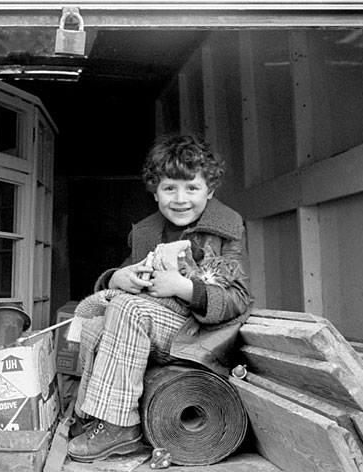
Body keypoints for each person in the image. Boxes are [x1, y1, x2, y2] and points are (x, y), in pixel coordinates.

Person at [67, 134, 254, 462]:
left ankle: (120, 425)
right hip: (158, 331)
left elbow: (238, 298)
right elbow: (128, 277)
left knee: (129, 308)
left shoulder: (225, 228)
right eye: (169, 188)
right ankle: (92, 415)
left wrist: (182, 287)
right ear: (155, 191)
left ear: (209, 190)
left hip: (201, 337)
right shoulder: (147, 231)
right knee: (97, 323)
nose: (180, 199)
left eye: (192, 188)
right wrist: (117, 277)